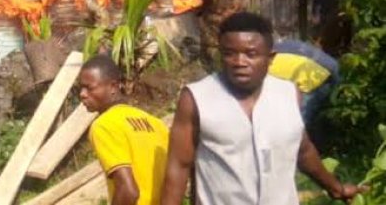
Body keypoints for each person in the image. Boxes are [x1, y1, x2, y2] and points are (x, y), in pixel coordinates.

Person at [160, 12, 363, 205]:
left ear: (270, 58)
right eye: (230, 54)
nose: (239, 62)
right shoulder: (197, 98)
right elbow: (179, 165)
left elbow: (303, 150)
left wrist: (336, 188)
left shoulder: (288, 94)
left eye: (250, 54)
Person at [78, 54, 168, 205]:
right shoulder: (156, 123)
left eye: (89, 88)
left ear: (113, 86)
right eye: (81, 88)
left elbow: (129, 191)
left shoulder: (104, 125)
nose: (82, 94)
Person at [269, 39, 340, 124]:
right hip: (318, 79)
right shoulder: (287, 47)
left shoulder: (276, 52)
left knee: (299, 122)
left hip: (310, 84)